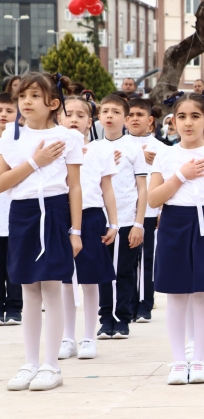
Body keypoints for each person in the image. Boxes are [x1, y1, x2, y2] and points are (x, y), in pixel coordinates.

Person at [2, 72, 83, 391]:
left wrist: (76, 230)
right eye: (22, 96)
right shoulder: (10, 134)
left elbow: (74, 186)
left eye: (35, 96)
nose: (26, 102)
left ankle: (52, 364)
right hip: (22, 213)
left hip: (55, 210)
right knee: (27, 289)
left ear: (52, 103)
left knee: (51, 286)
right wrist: (35, 163)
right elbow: (2, 183)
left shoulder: (68, 137)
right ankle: (30, 362)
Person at [148, 91, 204, 385]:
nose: (188, 123)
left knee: (203, 293)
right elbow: (153, 199)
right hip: (174, 224)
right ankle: (177, 361)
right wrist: (181, 175)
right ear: (173, 121)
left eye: (195, 116)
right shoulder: (166, 154)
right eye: (181, 116)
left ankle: (199, 360)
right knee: (176, 295)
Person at [58, 96, 118, 361]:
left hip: (91, 216)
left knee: (90, 279)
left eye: (80, 115)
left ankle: (88, 337)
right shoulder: (52, 149)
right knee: (63, 281)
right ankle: (67, 337)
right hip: (60, 215)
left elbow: (107, 189)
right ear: (58, 117)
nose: (73, 119)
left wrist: (114, 222)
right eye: (68, 114)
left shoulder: (100, 150)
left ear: (89, 121)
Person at [97, 94, 147, 340]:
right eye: (105, 111)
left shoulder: (133, 148)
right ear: (98, 116)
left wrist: (139, 223)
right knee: (103, 271)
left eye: (115, 112)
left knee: (124, 270)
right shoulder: (93, 148)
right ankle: (105, 318)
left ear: (126, 119)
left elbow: (142, 188)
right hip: (100, 219)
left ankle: (122, 317)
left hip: (127, 220)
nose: (109, 116)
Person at [126, 98, 169, 322]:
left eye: (140, 115)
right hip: (124, 212)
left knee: (146, 259)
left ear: (150, 120)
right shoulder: (119, 146)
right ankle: (127, 303)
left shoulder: (161, 149)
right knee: (126, 261)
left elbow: (165, 182)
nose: (135, 119)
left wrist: (162, 210)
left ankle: (145, 304)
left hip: (150, 212)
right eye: (131, 115)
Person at [0, 93, 20, 326]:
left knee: (14, 264)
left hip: (15, 214)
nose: (3, 115)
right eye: (0, 111)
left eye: (8, 111)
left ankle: (15, 307)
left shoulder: (20, 143)